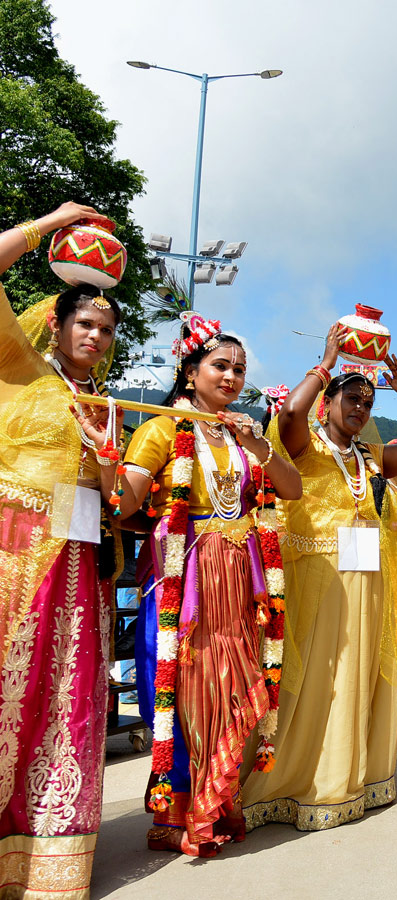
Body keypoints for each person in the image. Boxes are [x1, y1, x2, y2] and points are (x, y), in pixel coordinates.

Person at [240, 322, 397, 831]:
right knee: (315, 677)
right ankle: (299, 782)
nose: (360, 408)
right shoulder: (305, 447)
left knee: (359, 674)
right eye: (350, 399)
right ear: (328, 404)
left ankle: (355, 777)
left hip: (367, 578)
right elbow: (288, 412)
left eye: (367, 403)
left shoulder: (370, 457)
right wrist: (326, 360)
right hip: (318, 575)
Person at [119, 317, 302, 856]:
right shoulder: (161, 426)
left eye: (239, 369)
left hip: (242, 578)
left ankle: (218, 799)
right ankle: (179, 810)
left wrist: (260, 446)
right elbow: (127, 500)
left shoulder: (243, 435)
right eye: (220, 366)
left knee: (233, 682)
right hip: (187, 576)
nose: (231, 377)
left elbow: (289, 489)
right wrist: (106, 460)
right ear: (190, 369)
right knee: (181, 684)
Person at [0, 203, 126, 897]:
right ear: (56, 321)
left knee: (66, 701)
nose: (97, 337)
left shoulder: (104, 404)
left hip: (78, 565)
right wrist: (51, 221)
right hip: (13, 552)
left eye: (106, 330)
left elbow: (116, 497)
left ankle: (49, 856)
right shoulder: (17, 362)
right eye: (86, 323)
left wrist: (109, 460)